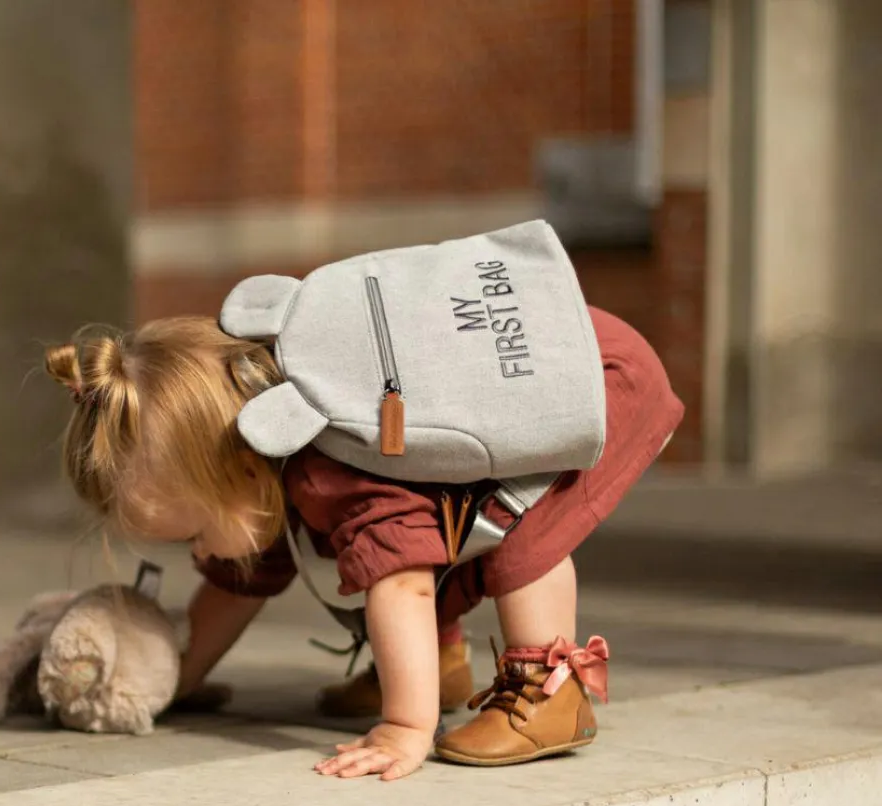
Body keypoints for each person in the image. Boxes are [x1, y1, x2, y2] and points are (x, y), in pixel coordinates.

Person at [45, 306, 683, 781]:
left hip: (588, 377)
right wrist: (169, 680)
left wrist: (405, 728)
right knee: (447, 527)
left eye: (193, 534)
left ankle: (551, 693)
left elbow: (402, 578)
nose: (200, 555)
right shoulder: (265, 455)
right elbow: (236, 585)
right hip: (540, 363)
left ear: (241, 477)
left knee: (517, 534)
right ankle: (441, 664)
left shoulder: (333, 469)